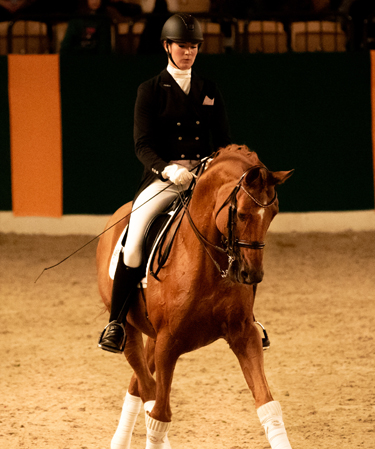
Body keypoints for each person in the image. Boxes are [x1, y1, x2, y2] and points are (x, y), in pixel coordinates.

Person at [99, 13, 270, 354]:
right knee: (134, 237)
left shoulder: (209, 90)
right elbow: (142, 145)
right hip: (164, 179)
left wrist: (214, 166)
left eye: (193, 46)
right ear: (167, 47)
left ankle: (249, 315)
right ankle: (116, 321)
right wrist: (168, 169)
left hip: (205, 181)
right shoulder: (149, 90)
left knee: (237, 234)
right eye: (182, 46)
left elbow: (223, 140)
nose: (188, 52)